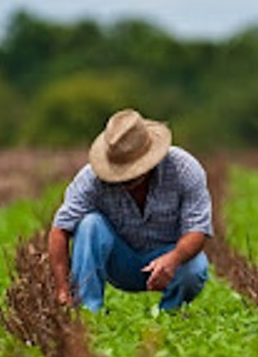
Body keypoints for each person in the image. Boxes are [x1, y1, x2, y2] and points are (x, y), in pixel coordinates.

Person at [49, 109, 212, 312]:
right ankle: (88, 311)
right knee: (90, 224)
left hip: (168, 257)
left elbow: (198, 230)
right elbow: (59, 230)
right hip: (120, 261)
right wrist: (62, 289)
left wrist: (173, 258)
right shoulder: (91, 179)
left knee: (194, 268)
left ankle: (169, 315)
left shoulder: (184, 169)